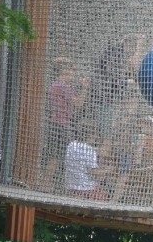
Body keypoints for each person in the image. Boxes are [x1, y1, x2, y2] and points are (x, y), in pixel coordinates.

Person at [41, 57, 82, 190]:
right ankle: (45, 183)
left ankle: (47, 182)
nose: (73, 74)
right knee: (57, 156)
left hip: (56, 123)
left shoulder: (56, 85)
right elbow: (78, 103)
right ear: (63, 71)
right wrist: (85, 88)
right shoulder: (62, 86)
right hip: (61, 124)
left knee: (57, 155)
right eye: (70, 71)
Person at [64, 126, 107, 201]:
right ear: (91, 135)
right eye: (95, 134)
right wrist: (107, 171)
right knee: (104, 199)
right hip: (86, 189)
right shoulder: (90, 150)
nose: (96, 137)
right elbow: (94, 172)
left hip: (70, 186)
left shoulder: (71, 144)